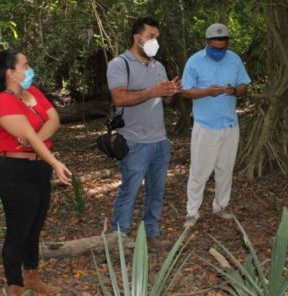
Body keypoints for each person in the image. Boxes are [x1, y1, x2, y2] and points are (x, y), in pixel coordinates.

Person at [0, 48, 72, 296]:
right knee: (18, 229)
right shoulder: (2, 101)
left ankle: (32, 277)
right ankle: (15, 288)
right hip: (13, 170)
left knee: (35, 225)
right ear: (10, 72)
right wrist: (54, 161)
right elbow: (31, 137)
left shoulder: (33, 94)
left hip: (37, 166)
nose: (29, 68)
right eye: (25, 64)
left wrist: (37, 146)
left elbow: (53, 120)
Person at [106, 17, 181, 248]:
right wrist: (151, 91)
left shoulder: (158, 66)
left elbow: (165, 100)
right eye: (151, 37)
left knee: (156, 191)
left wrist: (171, 91)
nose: (155, 41)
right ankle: (118, 238)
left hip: (160, 140)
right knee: (129, 191)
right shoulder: (119, 64)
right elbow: (119, 97)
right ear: (137, 38)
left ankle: (152, 232)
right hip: (134, 142)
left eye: (157, 37)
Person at [181, 23, 251, 228]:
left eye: (222, 48)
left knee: (225, 169)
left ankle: (220, 206)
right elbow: (185, 91)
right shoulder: (194, 61)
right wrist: (205, 92)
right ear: (207, 43)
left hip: (229, 124)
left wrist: (235, 91)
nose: (219, 51)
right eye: (215, 47)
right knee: (199, 171)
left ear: (227, 43)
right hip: (205, 125)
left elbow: (244, 85)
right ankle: (192, 212)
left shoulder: (234, 59)